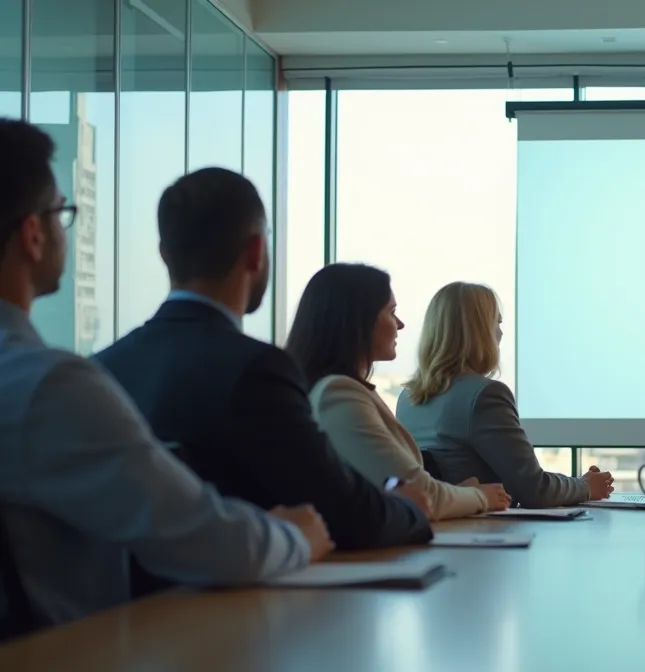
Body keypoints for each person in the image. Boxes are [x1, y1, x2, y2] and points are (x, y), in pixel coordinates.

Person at [0, 119, 330, 638]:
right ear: (33, 235)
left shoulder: (85, 369)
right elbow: (211, 543)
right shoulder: (47, 387)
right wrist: (296, 536)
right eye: (63, 214)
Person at [93, 168, 433, 552]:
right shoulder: (256, 370)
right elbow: (345, 511)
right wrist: (408, 509)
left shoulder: (103, 367)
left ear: (164, 255)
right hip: (244, 588)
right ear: (256, 252)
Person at [285, 263, 512, 519]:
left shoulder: (359, 393)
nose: (401, 324)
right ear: (360, 321)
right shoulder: (339, 395)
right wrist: (482, 496)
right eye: (392, 312)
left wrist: (459, 493)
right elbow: (421, 493)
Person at [395, 281, 615, 508]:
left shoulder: (407, 398)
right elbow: (533, 489)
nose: (500, 332)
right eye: (497, 322)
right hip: (483, 524)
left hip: (442, 524)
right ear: (480, 331)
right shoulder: (485, 395)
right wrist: (585, 487)